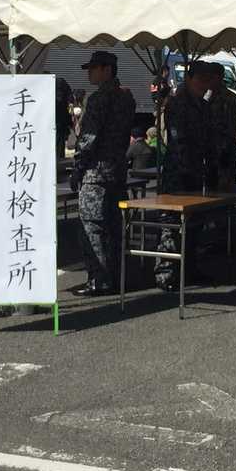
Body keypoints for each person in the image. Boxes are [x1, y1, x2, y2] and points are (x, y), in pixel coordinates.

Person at [71, 50, 136, 297]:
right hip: (117, 171)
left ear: (106, 69)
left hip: (95, 173)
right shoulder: (126, 98)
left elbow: (88, 139)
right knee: (114, 228)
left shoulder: (99, 99)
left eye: (93, 68)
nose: (89, 73)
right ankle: (117, 276)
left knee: (92, 227)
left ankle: (99, 279)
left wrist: (77, 167)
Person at [155, 62, 213, 289]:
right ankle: (167, 274)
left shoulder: (203, 105)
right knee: (171, 225)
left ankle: (189, 269)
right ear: (189, 79)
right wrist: (187, 167)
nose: (204, 84)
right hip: (178, 173)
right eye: (200, 79)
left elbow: (207, 139)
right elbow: (177, 140)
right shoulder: (178, 103)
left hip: (196, 172)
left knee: (194, 224)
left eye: (207, 80)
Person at [206, 63, 236, 191]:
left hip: (225, 153)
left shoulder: (229, 98)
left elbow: (234, 128)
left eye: (210, 77)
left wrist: (224, 150)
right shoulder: (207, 96)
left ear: (218, 77)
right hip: (210, 153)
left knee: (226, 190)